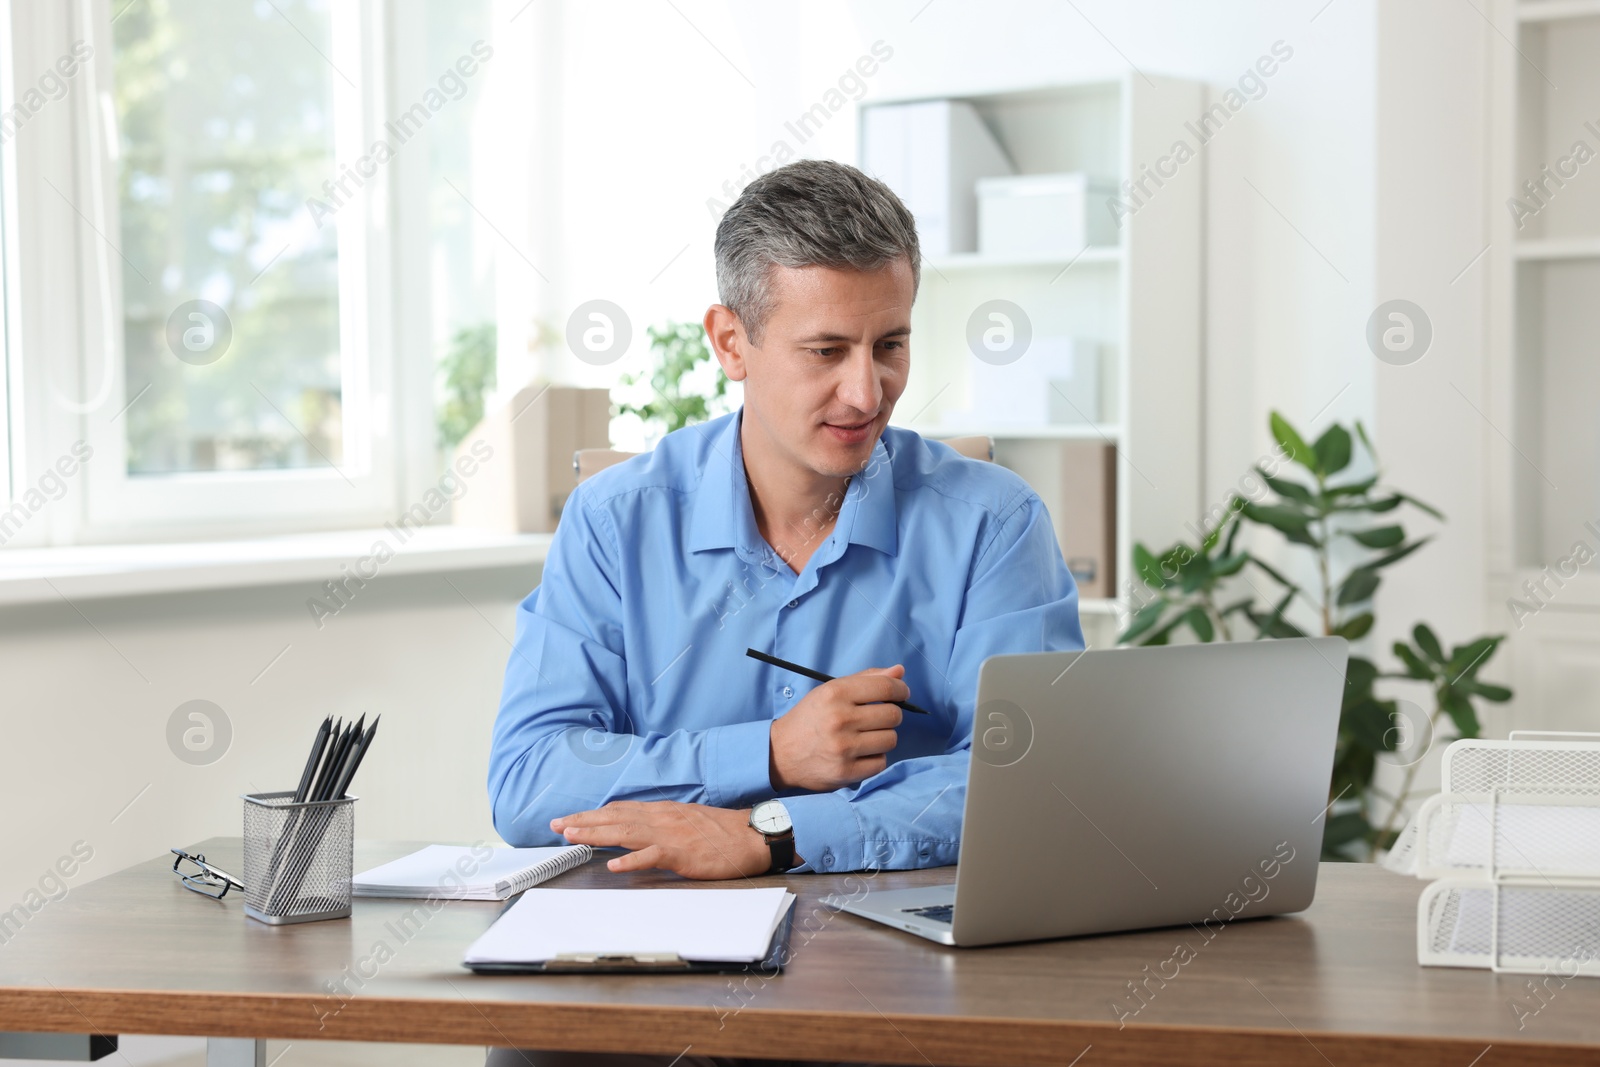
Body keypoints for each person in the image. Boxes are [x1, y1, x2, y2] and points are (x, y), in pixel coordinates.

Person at [484, 158, 1084, 1067]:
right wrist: (767, 753)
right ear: (731, 342)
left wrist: (773, 831)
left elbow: (1026, 782)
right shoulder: (617, 519)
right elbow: (530, 779)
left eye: (890, 344)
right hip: (658, 965)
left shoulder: (995, 522)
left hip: (896, 961)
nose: (867, 391)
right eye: (825, 351)